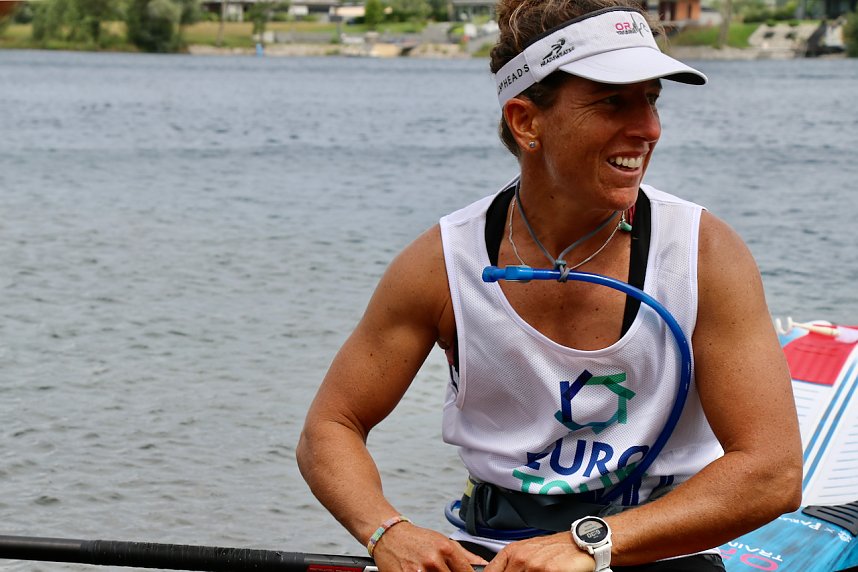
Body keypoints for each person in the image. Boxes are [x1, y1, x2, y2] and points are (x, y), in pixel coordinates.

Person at [296, 0, 803, 570]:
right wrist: (386, 531)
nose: (649, 129)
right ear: (525, 121)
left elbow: (773, 472)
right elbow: (330, 427)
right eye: (612, 102)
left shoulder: (705, 254)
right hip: (491, 553)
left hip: (655, 551)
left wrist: (589, 543)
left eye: (651, 100)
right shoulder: (441, 262)